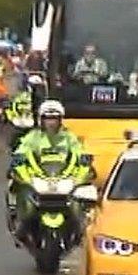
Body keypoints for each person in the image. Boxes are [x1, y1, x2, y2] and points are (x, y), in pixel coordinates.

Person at [9, 100, 91, 239]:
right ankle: (20, 227)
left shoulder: (69, 137)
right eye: (47, 118)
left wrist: (83, 169)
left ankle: (80, 234)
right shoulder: (32, 137)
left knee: (79, 207)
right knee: (23, 200)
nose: (51, 122)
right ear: (41, 120)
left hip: (64, 177)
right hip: (37, 177)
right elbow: (20, 153)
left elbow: (81, 154)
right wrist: (20, 166)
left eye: (54, 118)